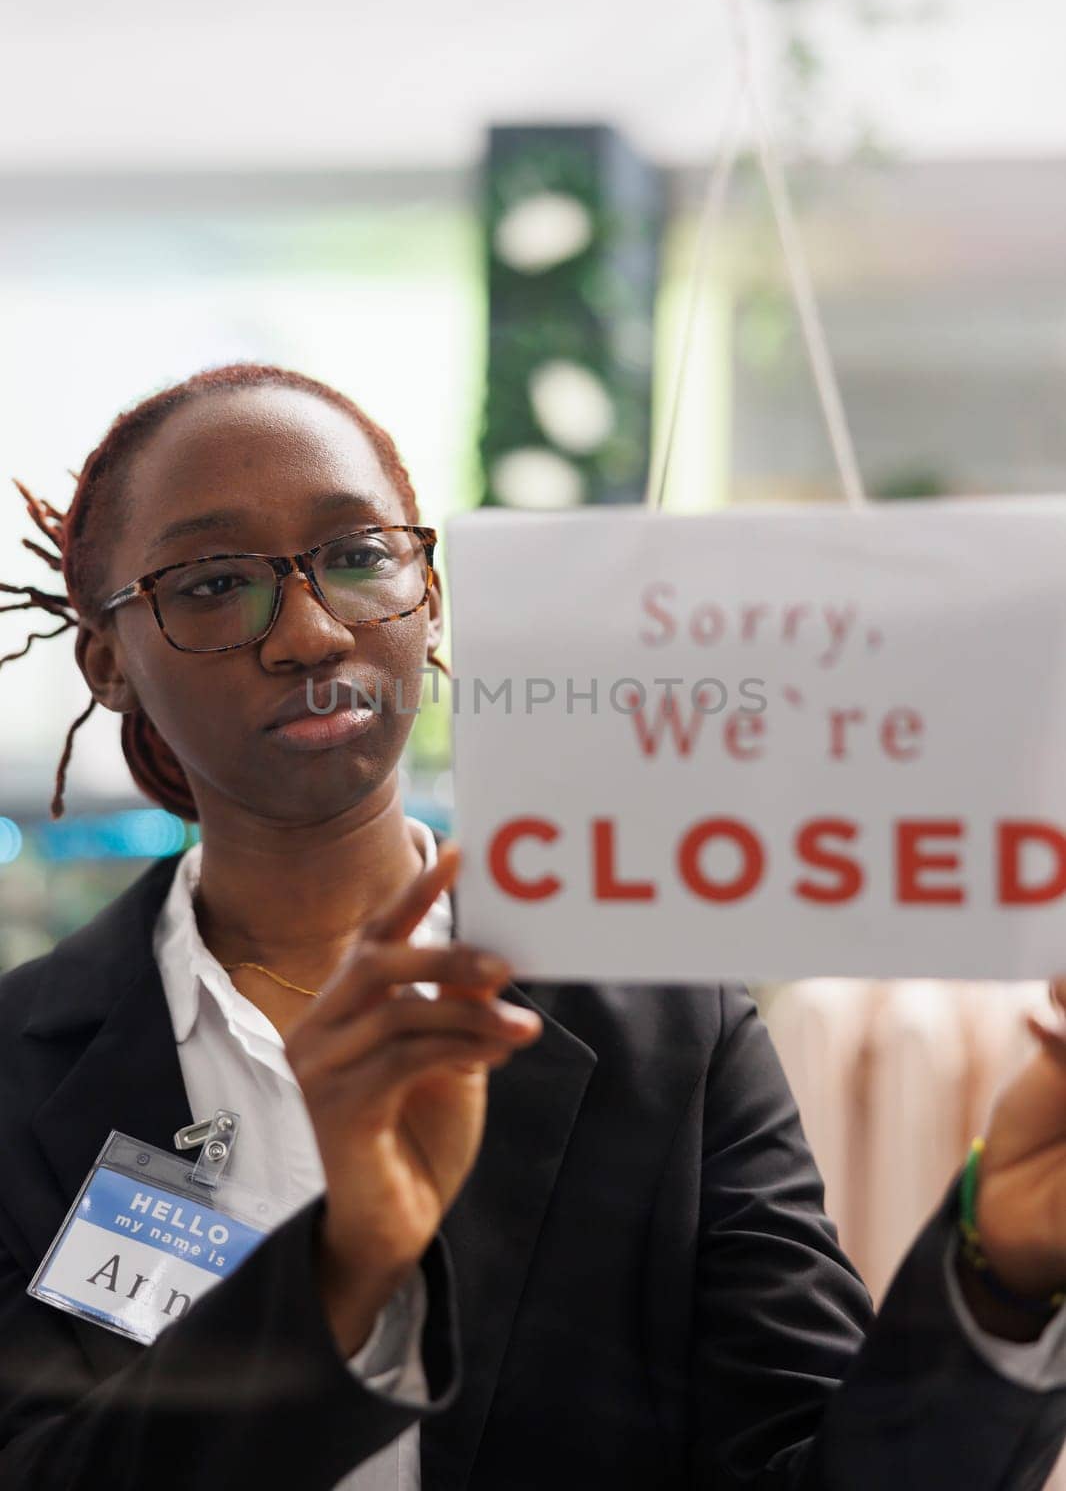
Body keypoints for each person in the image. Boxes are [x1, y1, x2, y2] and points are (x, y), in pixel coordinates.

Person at [0, 361, 1065, 1491]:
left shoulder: (665, 1020)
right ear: (108, 658)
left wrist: (996, 1276)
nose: (310, 633)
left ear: (432, 595)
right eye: (214, 583)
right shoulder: (18, 1077)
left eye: (361, 558)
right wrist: (341, 1273)